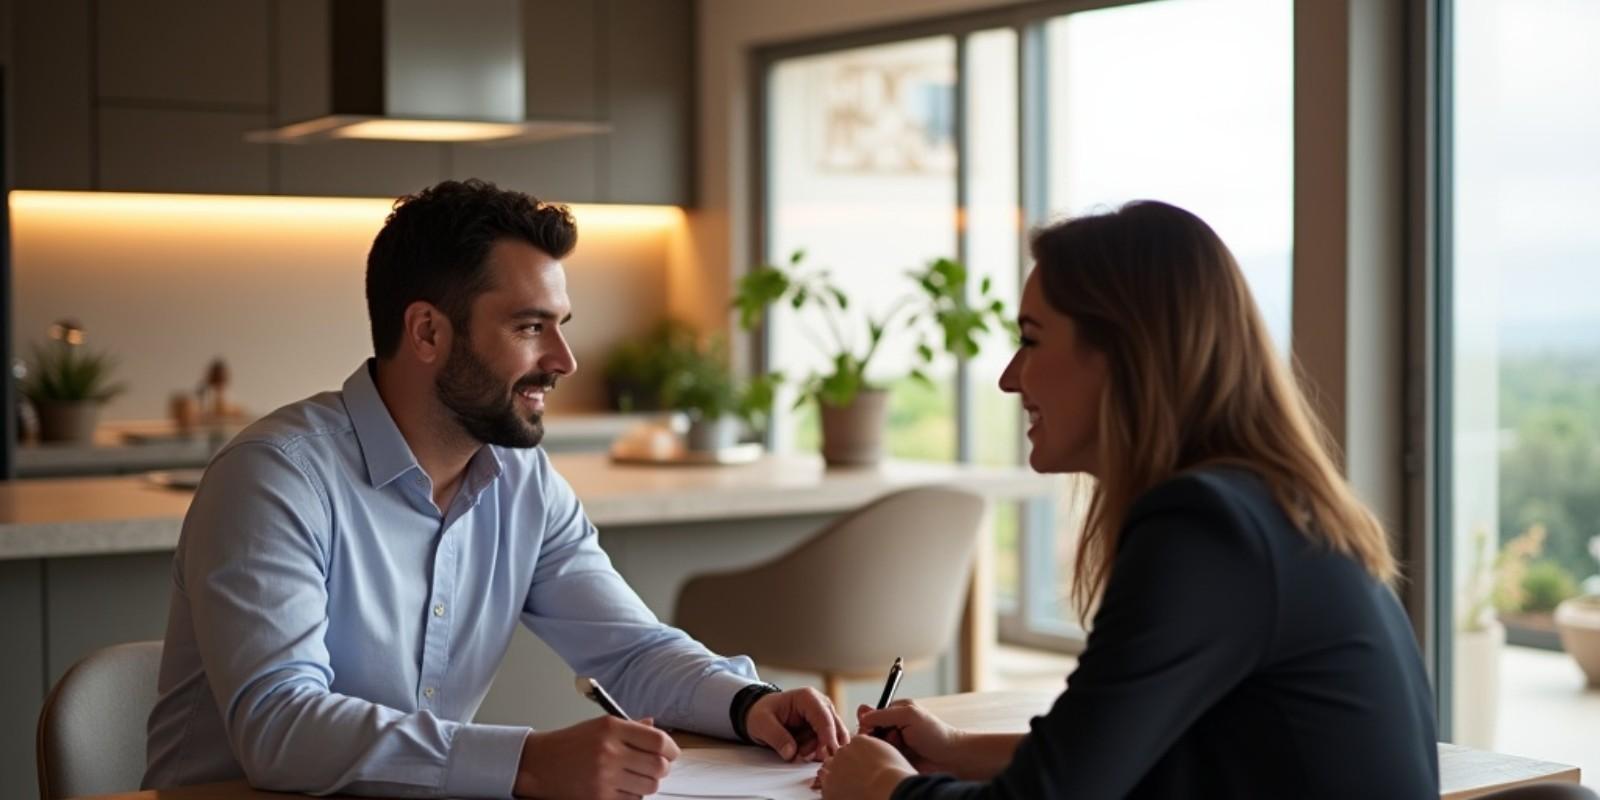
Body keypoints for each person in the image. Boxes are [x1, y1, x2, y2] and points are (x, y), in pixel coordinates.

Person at [144, 179, 846, 799]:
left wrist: (748, 704)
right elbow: (281, 726)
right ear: (427, 332)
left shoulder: (521, 480)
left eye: (560, 327)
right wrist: (528, 763)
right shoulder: (275, 476)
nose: (563, 361)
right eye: (529, 327)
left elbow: (629, 650)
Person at [818, 201, 1439, 799]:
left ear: (1120, 355)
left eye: (1031, 339)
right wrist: (956, 748)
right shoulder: (1264, 511)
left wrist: (884, 787)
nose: (1010, 377)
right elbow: (1138, 754)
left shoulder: (1205, 530)